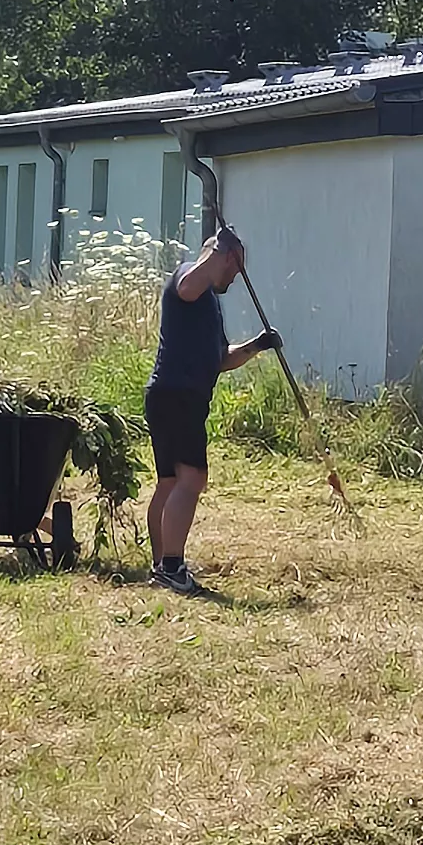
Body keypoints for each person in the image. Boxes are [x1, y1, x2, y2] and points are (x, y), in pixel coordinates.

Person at [143, 225, 283, 594]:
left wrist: (257, 345)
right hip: (179, 396)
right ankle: (172, 566)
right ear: (218, 257)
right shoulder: (187, 280)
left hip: (171, 397)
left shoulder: (209, 303)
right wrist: (217, 252)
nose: (235, 279)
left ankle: (161, 567)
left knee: (171, 483)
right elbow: (191, 283)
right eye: (233, 269)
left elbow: (219, 359)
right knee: (192, 480)